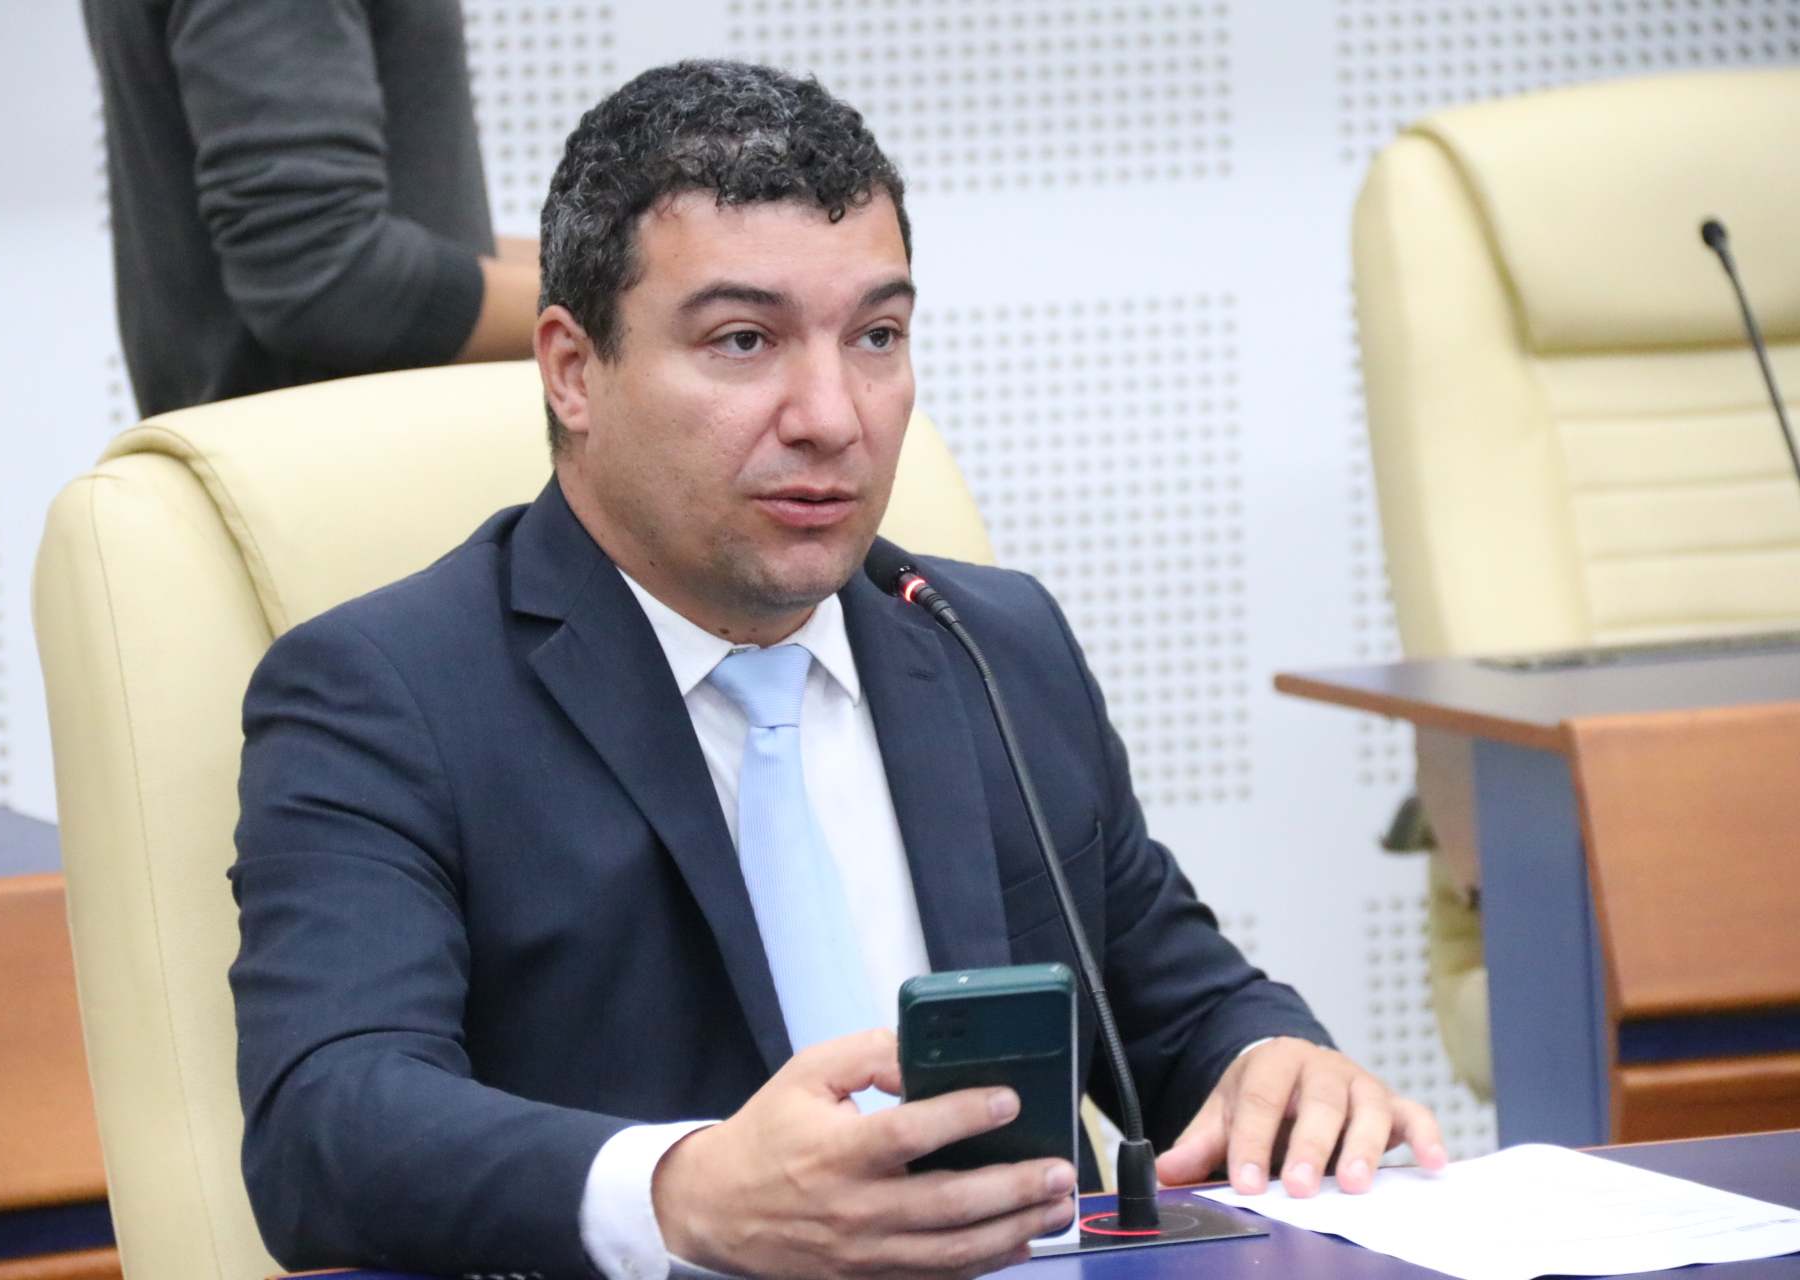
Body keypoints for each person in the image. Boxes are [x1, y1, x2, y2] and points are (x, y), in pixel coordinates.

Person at [229, 60, 1446, 1280]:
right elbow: (330, 1123)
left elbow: (1182, 1008)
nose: (832, 415)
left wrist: (1276, 1064)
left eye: (876, 336)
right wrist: (681, 1192)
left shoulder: (989, 642)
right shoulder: (386, 691)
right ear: (572, 369)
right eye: (744, 340)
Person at [84, 0, 541, 417]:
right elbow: (323, 274)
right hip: (343, 460)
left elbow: (336, 236)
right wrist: (583, 305)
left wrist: (578, 266)